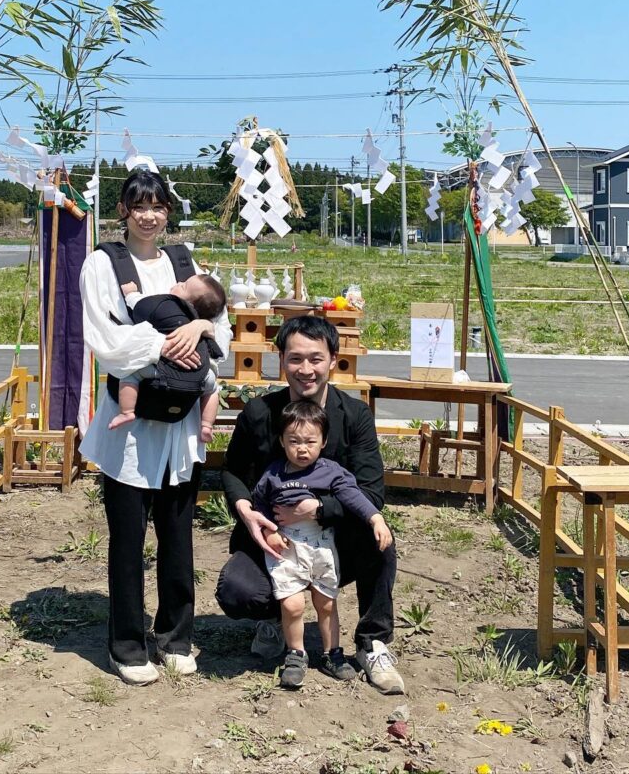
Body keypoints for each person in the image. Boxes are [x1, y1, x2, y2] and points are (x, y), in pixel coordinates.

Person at [79, 169, 232, 686]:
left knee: (178, 532)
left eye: (158, 205)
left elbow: (221, 329)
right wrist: (169, 343)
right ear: (123, 209)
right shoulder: (103, 263)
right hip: (130, 426)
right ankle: (126, 644)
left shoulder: (184, 261)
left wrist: (200, 326)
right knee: (127, 537)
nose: (149, 215)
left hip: (182, 425)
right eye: (138, 205)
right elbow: (106, 339)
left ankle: (176, 635)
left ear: (169, 209)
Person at [217, 314, 405, 694]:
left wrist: (317, 509)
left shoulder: (354, 416)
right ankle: (276, 616)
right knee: (237, 590)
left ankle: (372, 642)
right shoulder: (259, 413)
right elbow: (231, 472)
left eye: (316, 359)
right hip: (276, 541)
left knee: (380, 541)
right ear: (281, 359)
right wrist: (245, 511)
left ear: (333, 359)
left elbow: (371, 492)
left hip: (334, 541)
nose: (306, 370)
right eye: (295, 359)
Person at [252, 399, 393, 688]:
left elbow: (355, 497)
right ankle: (295, 654)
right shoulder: (274, 475)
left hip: (320, 547)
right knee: (291, 604)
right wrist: (269, 530)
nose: (302, 448)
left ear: (323, 441)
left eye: (309, 442)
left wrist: (375, 519)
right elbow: (260, 504)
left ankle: (333, 653)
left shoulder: (331, 471)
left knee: (326, 603)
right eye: (293, 441)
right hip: (287, 548)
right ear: (281, 441)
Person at [108, 273, 226, 442]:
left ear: (188, 303)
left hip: (165, 371)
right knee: (213, 389)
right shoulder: (203, 322)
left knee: (131, 373)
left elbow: (141, 305)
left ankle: (126, 412)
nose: (179, 282)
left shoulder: (168, 309)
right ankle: (207, 425)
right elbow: (217, 351)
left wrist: (131, 293)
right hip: (199, 373)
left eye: (183, 286)